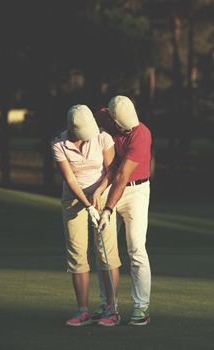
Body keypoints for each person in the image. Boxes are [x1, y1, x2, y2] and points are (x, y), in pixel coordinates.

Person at [52, 104, 122, 327]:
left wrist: (99, 195)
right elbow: (70, 180)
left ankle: (111, 309)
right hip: (74, 199)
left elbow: (111, 170)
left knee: (106, 253)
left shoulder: (102, 137)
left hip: (102, 195)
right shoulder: (58, 144)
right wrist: (86, 205)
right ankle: (83, 310)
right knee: (77, 252)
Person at [95, 95, 152, 326]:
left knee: (136, 248)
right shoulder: (102, 117)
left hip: (136, 192)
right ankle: (109, 306)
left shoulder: (141, 134)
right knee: (104, 249)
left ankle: (141, 308)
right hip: (111, 186)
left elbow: (122, 176)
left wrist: (108, 208)